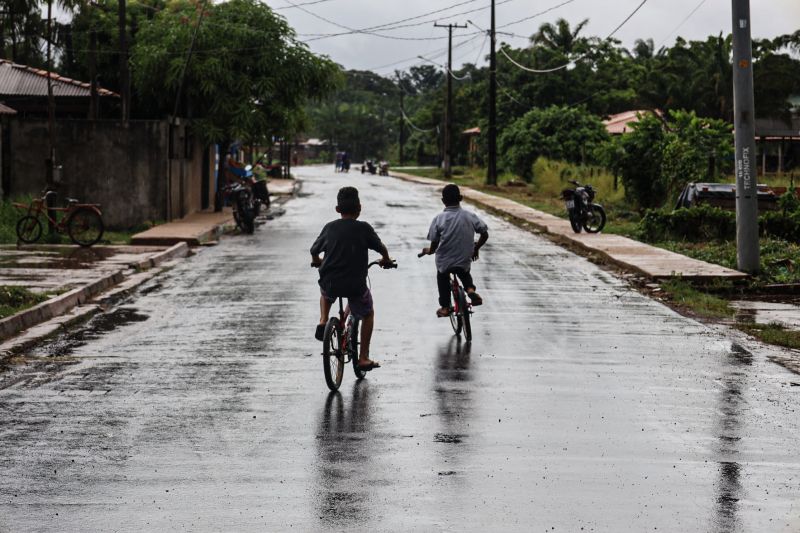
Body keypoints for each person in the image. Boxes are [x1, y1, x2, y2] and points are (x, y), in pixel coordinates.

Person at [311, 187, 394, 370]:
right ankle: (363, 357)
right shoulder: (364, 228)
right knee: (368, 313)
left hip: (331, 282)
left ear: (337, 209)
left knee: (325, 291)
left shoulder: (329, 227)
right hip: (355, 284)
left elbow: (314, 250)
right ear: (359, 208)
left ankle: (324, 320)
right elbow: (381, 248)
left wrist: (317, 261)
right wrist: (386, 260)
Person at [420, 184, 489, 318]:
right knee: (464, 273)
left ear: (443, 201)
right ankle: (470, 289)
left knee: (442, 276)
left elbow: (434, 242)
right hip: (464, 258)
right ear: (461, 198)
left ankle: (445, 307)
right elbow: (484, 234)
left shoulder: (439, 219)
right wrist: (476, 248)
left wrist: (429, 251)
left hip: (445, 261)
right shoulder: (470, 216)